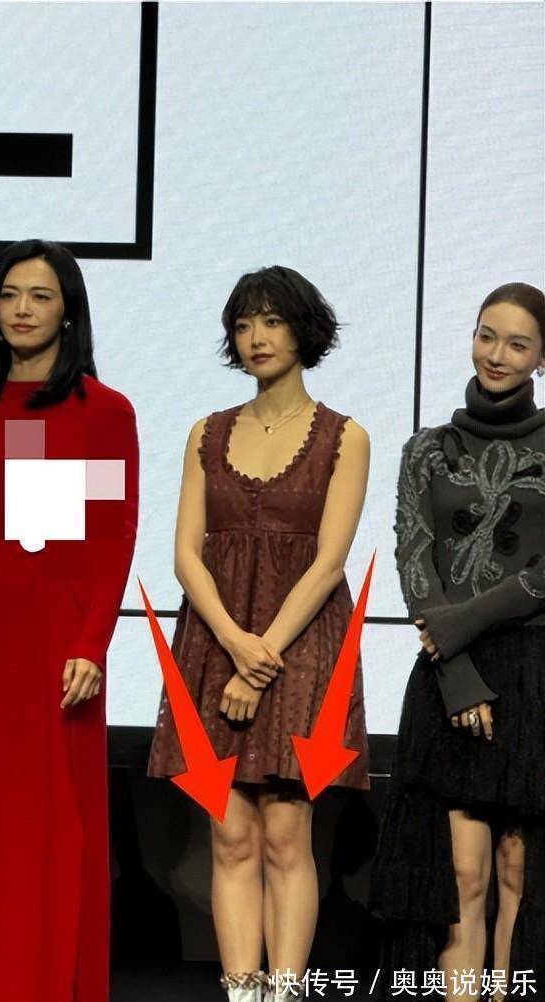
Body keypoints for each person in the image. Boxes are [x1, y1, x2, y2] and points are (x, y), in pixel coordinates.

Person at [147, 265, 371, 1000]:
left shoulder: (345, 437)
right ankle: (242, 989)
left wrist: (261, 655)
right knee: (230, 835)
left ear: (304, 329)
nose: (256, 337)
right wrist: (234, 645)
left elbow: (329, 563)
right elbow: (186, 555)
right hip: (216, 642)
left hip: (303, 648)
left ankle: (286, 990)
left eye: (271, 321)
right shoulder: (206, 433)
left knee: (285, 833)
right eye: (243, 325)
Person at [0, 239, 139, 1002]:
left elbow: (109, 537)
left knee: (47, 833)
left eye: (40, 296)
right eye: (9, 294)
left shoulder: (102, 411)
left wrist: (91, 643)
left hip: (55, 649)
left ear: (69, 312)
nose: (21, 309)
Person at [370, 283, 545, 996]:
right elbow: (417, 563)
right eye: (486, 335)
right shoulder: (426, 450)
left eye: (517, 344)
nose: (496, 354)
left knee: (518, 871)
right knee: (461, 874)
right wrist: (458, 672)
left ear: (541, 358)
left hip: (535, 669)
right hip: (451, 674)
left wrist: (458, 626)